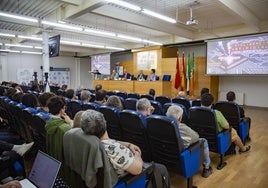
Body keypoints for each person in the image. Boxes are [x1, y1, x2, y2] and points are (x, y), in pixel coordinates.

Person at [80, 110, 170, 187]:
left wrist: (128, 145)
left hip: (109, 175)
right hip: (127, 180)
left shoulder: (89, 141)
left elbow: (108, 141)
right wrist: (137, 155)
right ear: (105, 124)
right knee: (162, 169)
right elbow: (138, 169)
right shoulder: (114, 150)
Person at [166, 105, 213, 178]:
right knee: (203, 141)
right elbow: (196, 137)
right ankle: (207, 168)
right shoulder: (182, 127)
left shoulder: (161, 124)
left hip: (167, 153)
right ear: (180, 118)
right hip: (182, 153)